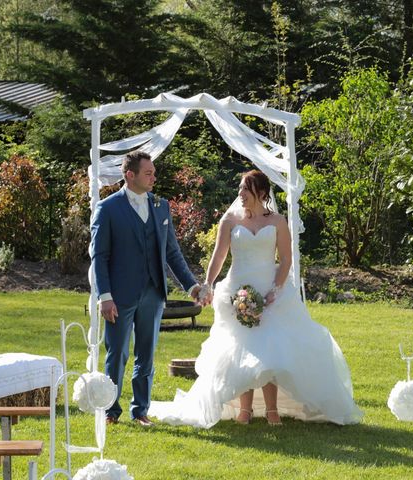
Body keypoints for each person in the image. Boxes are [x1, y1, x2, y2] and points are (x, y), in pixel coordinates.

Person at [148, 170, 364, 428]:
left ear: (261, 193)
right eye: (239, 189)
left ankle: (272, 409)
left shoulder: (278, 222)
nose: (240, 194)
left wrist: (275, 289)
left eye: (246, 190)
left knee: (269, 350)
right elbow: (218, 257)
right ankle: (244, 409)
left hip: (270, 292)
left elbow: (285, 259)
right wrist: (208, 283)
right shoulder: (230, 220)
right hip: (237, 291)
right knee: (242, 350)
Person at [90, 150, 201, 426]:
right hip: (119, 295)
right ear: (130, 175)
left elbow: (172, 253)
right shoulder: (107, 208)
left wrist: (192, 286)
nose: (154, 177)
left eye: (153, 172)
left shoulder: (161, 206)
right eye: (148, 173)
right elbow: (99, 256)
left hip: (153, 292)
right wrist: (105, 296)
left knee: (146, 355)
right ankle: (110, 410)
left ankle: (140, 411)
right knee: (117, 354)